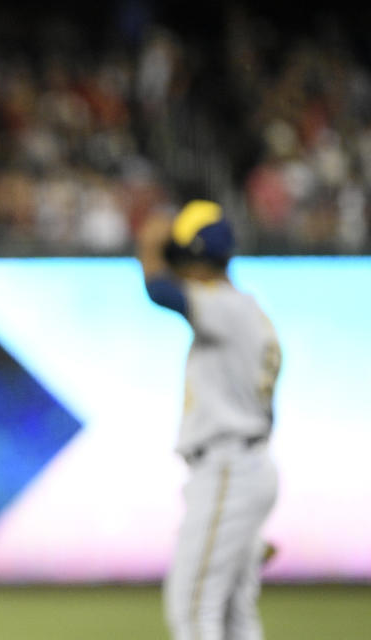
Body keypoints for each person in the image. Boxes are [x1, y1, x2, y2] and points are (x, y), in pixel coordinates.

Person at [136, 200, 281, 640]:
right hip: (244, 466)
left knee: (193, 609)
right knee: (235, 616)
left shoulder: (224, 306)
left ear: (196, 257)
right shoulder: (245, 312)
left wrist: (149, 245)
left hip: (227, 468)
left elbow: (161, 291)